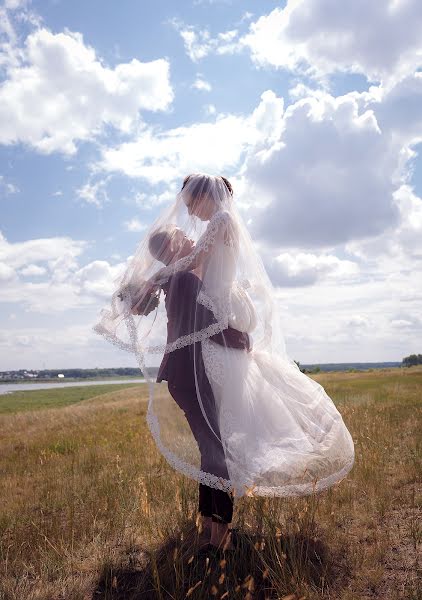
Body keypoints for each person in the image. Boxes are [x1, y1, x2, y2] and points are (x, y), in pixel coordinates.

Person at [93, 173, 355, 553]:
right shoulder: (196, 256)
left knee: (217, 446)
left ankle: (217, 533)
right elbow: (190, 266)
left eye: (189, 204)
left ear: (204, 197)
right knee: (216, 447)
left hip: (216, 336)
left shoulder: (221, 222)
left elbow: (195, 259)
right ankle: (216, 532)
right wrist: (154, 281)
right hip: (208, 346)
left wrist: (153, 279)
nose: (188, 215)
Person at [146, 225, 250, 551]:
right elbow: (207, 326)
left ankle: (209, 526)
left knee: (212, 450)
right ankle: (220, 538)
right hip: (190, 376)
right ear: (174, 245)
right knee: (217, 452)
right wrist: (242, 339)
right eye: (183, 234)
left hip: (186, 375)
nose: (192, 237)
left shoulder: (179, 278)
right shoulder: (185, 280)